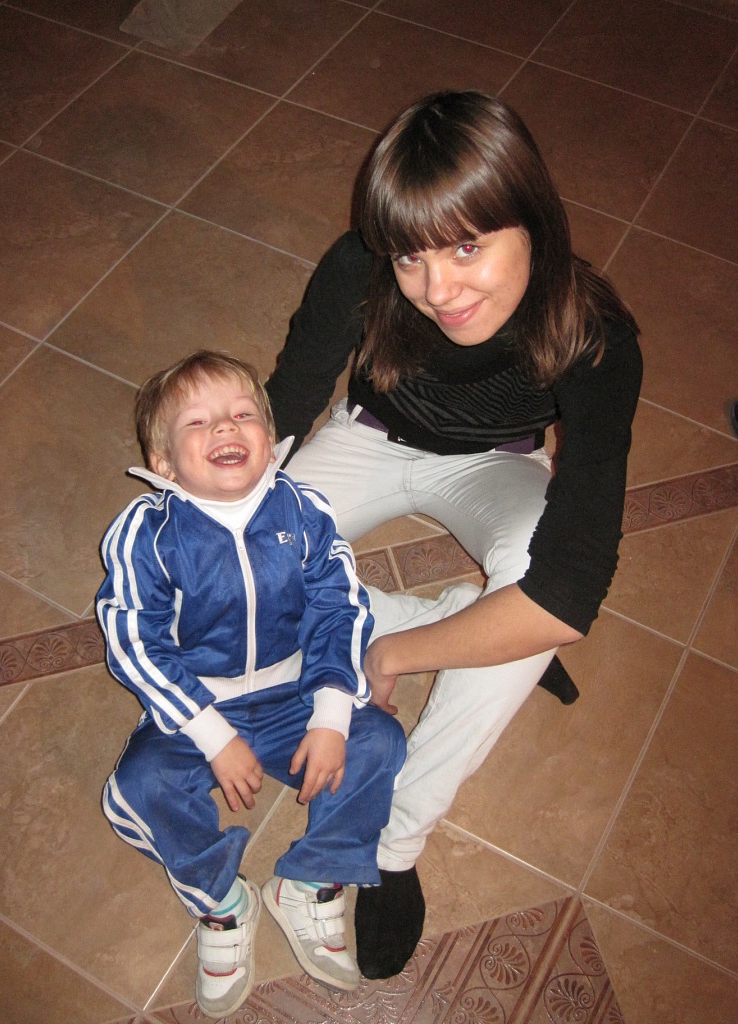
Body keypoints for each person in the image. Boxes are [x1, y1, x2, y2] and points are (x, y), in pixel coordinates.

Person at [265, 90, 643, 980]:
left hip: (497, 467)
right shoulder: (361, 266)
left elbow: (568, 594)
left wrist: (390, 654)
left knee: (536, 598)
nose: (438, 291)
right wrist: (224, 507)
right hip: (369, 438)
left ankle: (394, 841)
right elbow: (292, 395)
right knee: (243, 573)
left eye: (468, 247)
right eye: (412, 256)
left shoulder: (593, 334)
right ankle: (472, 626)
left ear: (533, 221)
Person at [96, 351, 406, 1018]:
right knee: (140, 786)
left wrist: (330, 716)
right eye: (198, 422)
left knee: (379, 741)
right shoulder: (146, 536)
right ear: (163, 463)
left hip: (295, 691)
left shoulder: (303, 509)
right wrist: (212, 735)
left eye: (242, 414)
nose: (224, 428)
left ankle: (312, 878)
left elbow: (340, 607)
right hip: (197, 701)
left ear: (268, 439)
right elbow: (133, 640)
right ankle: (221, 900)